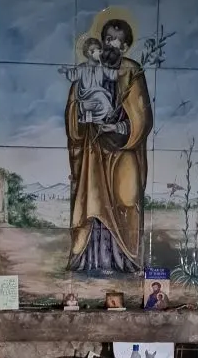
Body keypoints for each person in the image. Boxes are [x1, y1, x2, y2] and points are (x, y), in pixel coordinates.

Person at [65, 18, 153, 274]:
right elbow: (73, 106)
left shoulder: (132, 71)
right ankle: (93, 261)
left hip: (124, 149)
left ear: (125, 46)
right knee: (93, 204)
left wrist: (120, 127)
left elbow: (142, 116)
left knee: (127, 199)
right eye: (106, 39)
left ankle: (126, 260)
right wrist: (83, 113)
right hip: (94, 151)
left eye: (115, 40)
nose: (109, 44)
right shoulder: (89, 68)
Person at [59, 38, 116, 124]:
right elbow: (73, 75)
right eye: (98, 51)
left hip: (99, 95)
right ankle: (105, 112)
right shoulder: (82, 67)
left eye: (100, 51)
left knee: (103, 105)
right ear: (90, 52)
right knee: (103, 100)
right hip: (87, 94)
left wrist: (121, 71)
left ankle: (90, 117)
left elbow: (112, 75)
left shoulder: (102, 67)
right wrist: (66, 71)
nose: (100, 53)